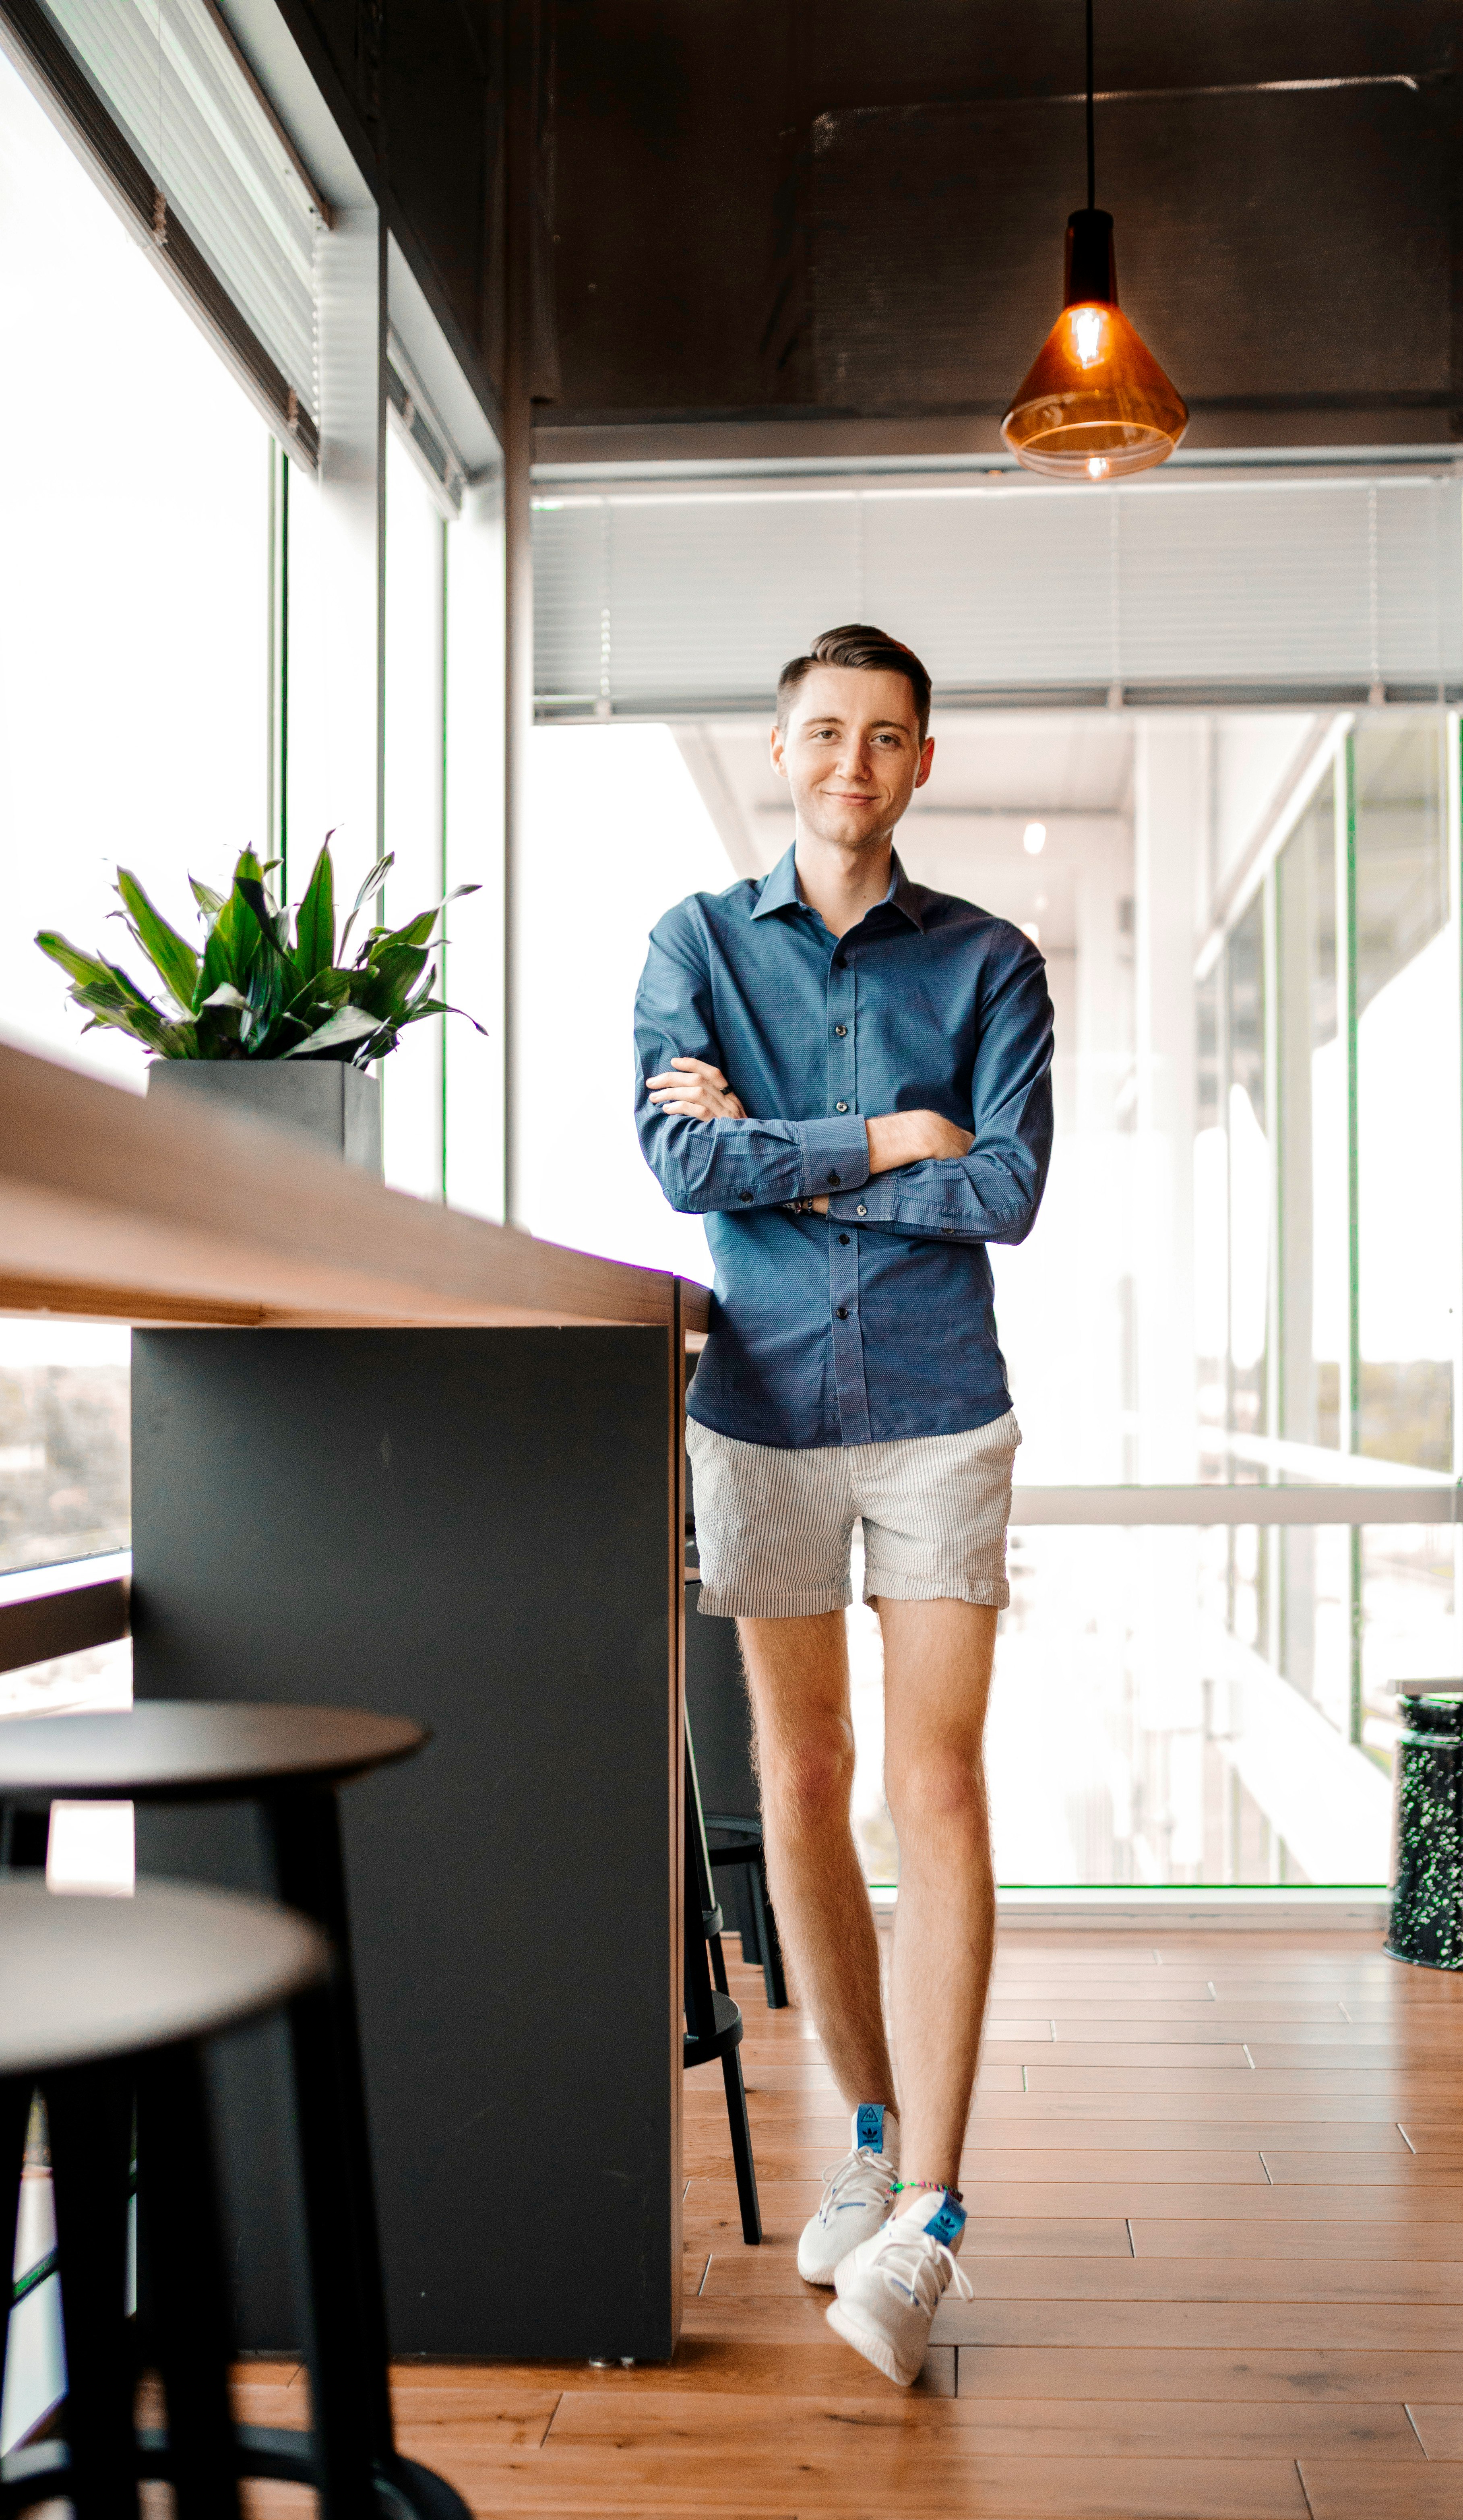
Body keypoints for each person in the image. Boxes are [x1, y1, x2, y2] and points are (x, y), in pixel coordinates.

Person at [633, 623, 1054, 2386]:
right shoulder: (693, 947)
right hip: (764, 1410)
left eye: (886, 739)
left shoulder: (992, 960)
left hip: (941, 1413)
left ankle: (933, 2215)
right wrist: (891, 1140)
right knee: (802, 1782)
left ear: (922, 763)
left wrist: (786, 1157)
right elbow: (676, 1164)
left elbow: (1013, 1188)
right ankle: (866, 2140)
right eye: (825, 733)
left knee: (936, 1782)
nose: (851, 766)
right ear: (780, 749)